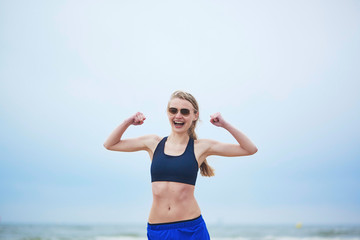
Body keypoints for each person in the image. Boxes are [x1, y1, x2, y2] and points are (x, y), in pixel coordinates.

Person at [103, 90, 258, 240]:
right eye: (173, 110)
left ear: (195, 115)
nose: (178, 116)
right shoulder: (153, 143)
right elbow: (110, 144)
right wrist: (128, 122)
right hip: (158, 230)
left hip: (191, 229)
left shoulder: (201, 147)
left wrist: (224, 124)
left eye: (185, 111)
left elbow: (249, 149)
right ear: (167, 113)